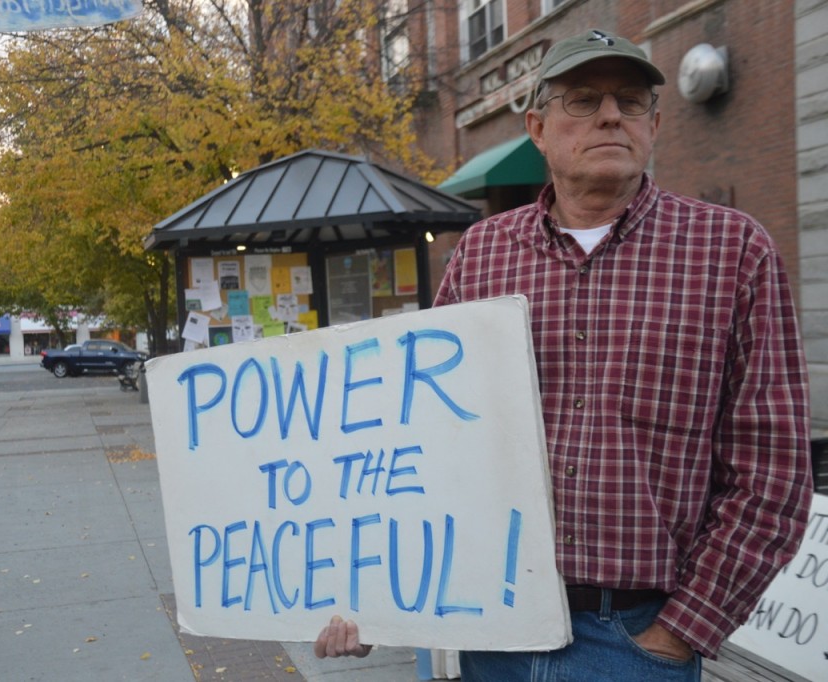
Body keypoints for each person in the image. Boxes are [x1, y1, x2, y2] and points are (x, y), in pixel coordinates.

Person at [314, 28, 812, 681]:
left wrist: (682, 630)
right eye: (582, 99)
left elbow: (773, 470)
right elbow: (422, 440)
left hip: (636, 641)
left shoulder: (732, 251)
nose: (610, 115)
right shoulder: (482, 253)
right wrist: (372, 599)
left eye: (629, 101)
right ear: (538, 129)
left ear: (655, 125)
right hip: (492, 626)